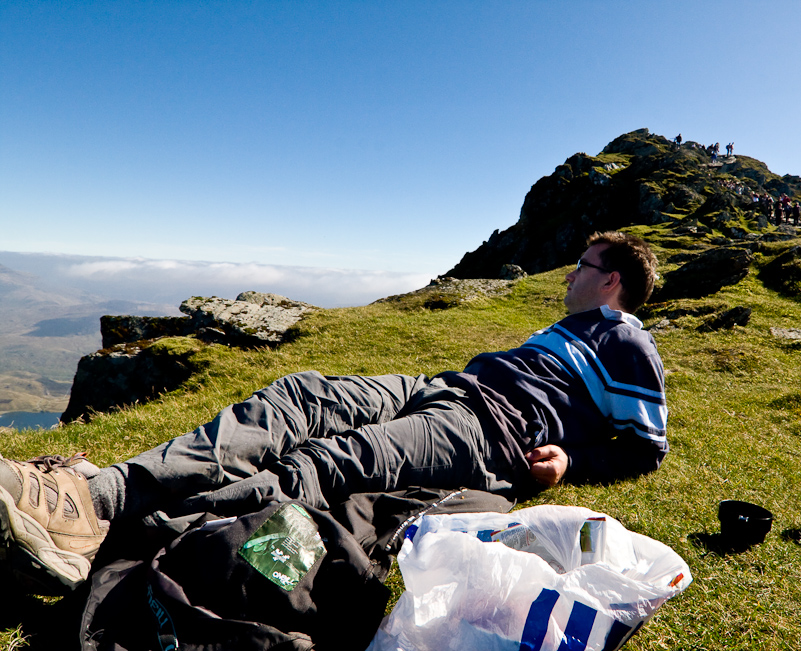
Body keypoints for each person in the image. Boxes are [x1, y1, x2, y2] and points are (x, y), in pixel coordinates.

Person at [0, 231, 668, 594]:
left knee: (324, 463)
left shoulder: (624, 336)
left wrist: (574, 460)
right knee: (298, 395)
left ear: (610, 281)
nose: (568, 275)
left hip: (488, 430)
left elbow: (645, 446)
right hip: (436, 388)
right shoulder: (564, 328)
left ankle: (122, 533)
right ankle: (90, 492)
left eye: (581, 266)